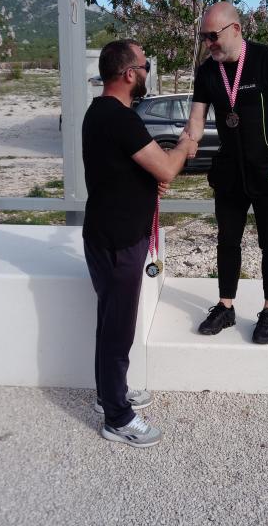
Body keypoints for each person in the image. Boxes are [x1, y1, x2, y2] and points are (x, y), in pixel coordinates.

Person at [82, 39, 197, 447]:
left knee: (110, 323)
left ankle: (109, 394)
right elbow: (165, 167)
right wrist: (185, 145)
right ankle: (117, 418)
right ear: (130, 73)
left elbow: (123, 169)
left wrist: (148, 183)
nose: (148, 72)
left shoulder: (100, 112)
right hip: (118, 241)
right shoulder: (119, 118)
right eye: (146, 66)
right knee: (118, 331)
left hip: (106, 235)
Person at [184, 2, 268, 344]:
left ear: (235, 29)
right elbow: (196, 119)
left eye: (212, 36)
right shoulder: (208, 71)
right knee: (227, 241)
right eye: (204, 38)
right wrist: (183, 146)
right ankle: (226, 307)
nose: (208, 43)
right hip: (229, 173)